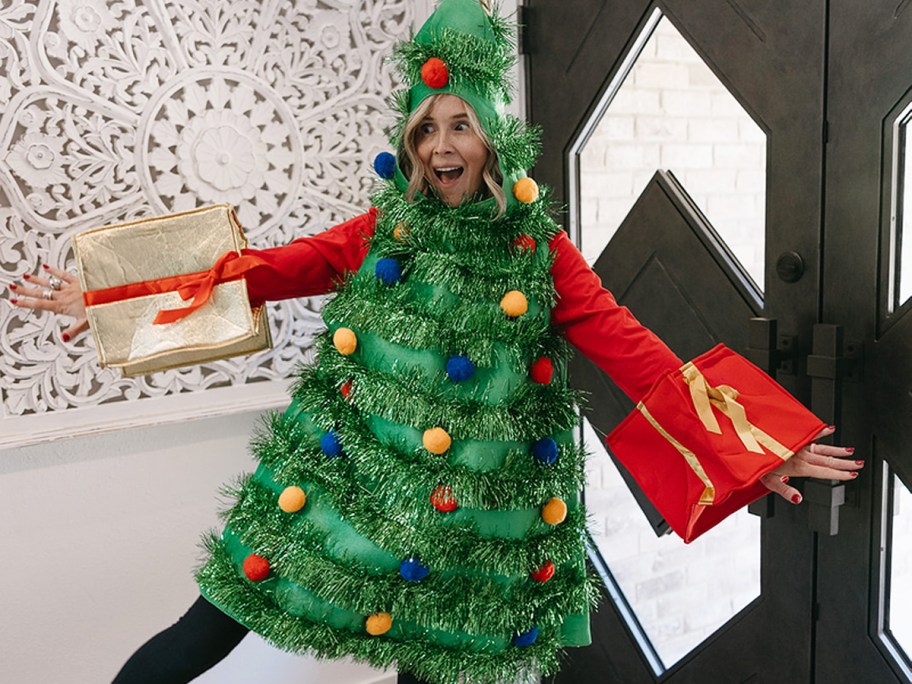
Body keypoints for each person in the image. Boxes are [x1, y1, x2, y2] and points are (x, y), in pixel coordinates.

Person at [7, 1, 862, 683]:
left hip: (476, 516)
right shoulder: (386, 232)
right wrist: (113, 298)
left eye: (459, 125)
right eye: (425, 129)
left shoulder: (540, 254)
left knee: (444, 667)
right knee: (208, 626)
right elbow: (263, 270)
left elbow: (631, 348)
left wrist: (759, 454)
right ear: (410, 143)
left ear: (491, 132)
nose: (441, 145)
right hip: (348, 491)